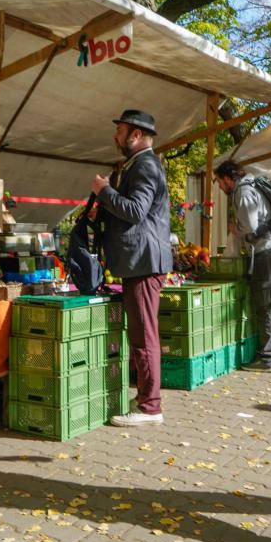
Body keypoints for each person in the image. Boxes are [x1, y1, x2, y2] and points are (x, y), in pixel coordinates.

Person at [92, 109, 172, 427]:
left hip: (143, 262)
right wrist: (107, 210)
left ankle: (150, 407)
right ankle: (145, 399)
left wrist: (105, 192)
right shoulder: (139, 165)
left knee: (144, 336)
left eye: (121, 130)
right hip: (139, 261)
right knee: (141, 334)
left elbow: (136, 211)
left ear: (135, 135)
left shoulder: (146, 165)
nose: (116, 136)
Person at [213, 160, 271, 371]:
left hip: (268, 250)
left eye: (220, 182)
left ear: (228, 178)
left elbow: (250, 226)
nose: (220, 187)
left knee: (265, 303)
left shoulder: (243, 191)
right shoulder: (254, 185)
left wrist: (234, 228)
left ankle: (268, 358)